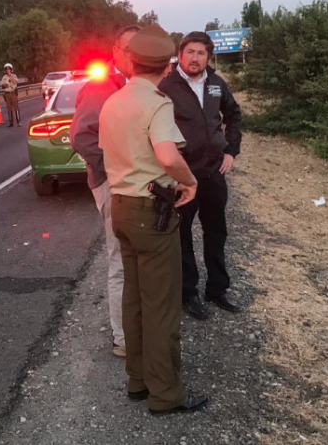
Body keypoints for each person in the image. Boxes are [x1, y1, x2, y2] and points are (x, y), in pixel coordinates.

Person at [99, 25, 208, 414]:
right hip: (152, 212)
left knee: (135, 300)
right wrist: (189, 180)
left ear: (131, 61)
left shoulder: (113, 102)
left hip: (122, 209)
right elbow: (166, 155)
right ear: (166, 66)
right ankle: (166, 394)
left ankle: (138, 379)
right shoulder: (157, 103)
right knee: (161, 304)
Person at [159, 32, 243, 320]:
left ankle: (217, 290)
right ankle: (188, 293)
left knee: (216, 231)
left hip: (213, 173)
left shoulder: (216, 84)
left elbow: (233, 115)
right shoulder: (166, 86)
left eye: (201, 53)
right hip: (183, 176)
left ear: (209, 56)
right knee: (182, 236)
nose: (195, 58)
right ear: (180, 54)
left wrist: (231, 151)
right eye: (190, 52)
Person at [69, 25, 141, 358]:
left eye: (139, 48)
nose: (133, 55)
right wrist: (112, 172)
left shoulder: (138, 86)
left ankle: (137, 326)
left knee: (137, 259)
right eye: (127, 49)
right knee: (120, 261)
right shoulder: (101, 88)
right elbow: (81, 138)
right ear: (115, 52)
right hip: (114, 184)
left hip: (136, 184)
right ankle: (124, 338)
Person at [1, 63, 21, 127]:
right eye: (6, 69)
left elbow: (15, 82)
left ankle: (18, 122)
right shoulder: (4, 77)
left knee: (16, 108)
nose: (7, 70)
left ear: (11, 69)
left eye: (9, 69)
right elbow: (2, 85)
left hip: (13, 93)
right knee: (9, 109)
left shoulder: (14, 75)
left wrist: (10, 76)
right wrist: (5, 85)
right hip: (7, 94)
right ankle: (11, 122)